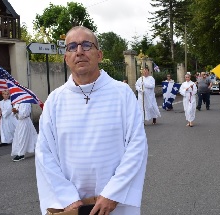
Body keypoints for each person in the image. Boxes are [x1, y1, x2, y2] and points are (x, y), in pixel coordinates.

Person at [35, 26, 148, 215]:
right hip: (70, 205)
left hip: (115, 204)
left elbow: (137, 146)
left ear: (99, 54)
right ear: (66, 58)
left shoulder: (122, 94)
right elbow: (44, 153)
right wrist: (68, 198)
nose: (79, 51)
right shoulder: (55, 100)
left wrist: (113, 194)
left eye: (86, 45)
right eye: (72, 47)